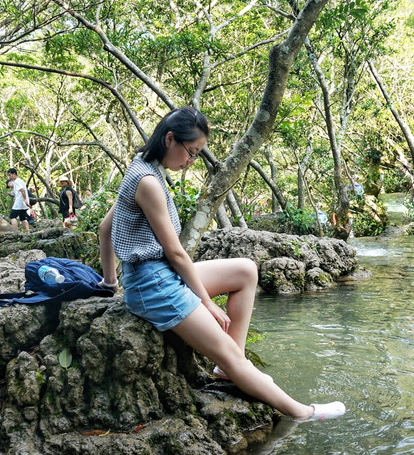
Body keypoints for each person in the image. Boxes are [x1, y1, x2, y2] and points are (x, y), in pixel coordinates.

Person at [98, 107, 346, 422]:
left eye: (197, 155)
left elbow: (107, 228)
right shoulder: (147, 181)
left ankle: (229, 367)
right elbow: (175, 253)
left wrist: (110, 284)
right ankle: (301, 412)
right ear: (170, 138)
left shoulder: (143, 166)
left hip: (158, 276)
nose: (191, 161)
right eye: (191, 152)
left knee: (245, 271)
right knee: (229, 353)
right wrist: (206, 303)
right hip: (154, 286)